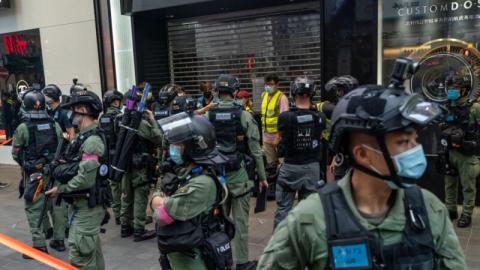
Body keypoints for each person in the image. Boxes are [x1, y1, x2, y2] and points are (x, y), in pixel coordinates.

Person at [258, 84, 467, 269]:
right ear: (363, 154)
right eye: (403, 142)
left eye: (415, 140)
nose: (415, 150)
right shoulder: (311, 218)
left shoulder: (429, 210)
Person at [151, 113, 234, 270]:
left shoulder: (203, 183)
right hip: (182, 255)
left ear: (192, 147)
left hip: (192, 259)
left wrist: (156, 200)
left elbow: (161, 216)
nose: (172, 148)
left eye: (178, 144)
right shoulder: (189, 172)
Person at [207, 74, 268, 270]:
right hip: (240, 177)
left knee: (218, 222)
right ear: (235, 92)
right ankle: (242, 262)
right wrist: (263, 177)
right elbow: (256, 151)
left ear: (217, 92)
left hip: (217, 178)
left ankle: (221, 261)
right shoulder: (245, 115)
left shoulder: (209, 115)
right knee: (240, 223)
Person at [44, 89, 109, 269]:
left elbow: (85, 179)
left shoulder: (92, 141)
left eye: (73, 109)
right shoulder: (83, 137)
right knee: (92, 253)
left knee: (80, 256)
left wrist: (61, 189)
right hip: (83, 205)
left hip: (88, 207)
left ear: (83, 110)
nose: (71, 114)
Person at [11, 90, 63, 258]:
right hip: (53, 173)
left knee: (33, 208)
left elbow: (16, 153)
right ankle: (59, 240)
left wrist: (27, 165)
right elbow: (60, 145)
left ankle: (39, 246)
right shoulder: (54, 123)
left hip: (34, 175)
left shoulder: (23, 127)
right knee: (56, 207)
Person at [273, 77, 326, 228]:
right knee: (308, 211)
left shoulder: (284, 118)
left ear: (293, 93)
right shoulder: (320, 117)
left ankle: (280, 244)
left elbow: (277, 141)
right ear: (312, 94)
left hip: (290, 167)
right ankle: (306, 243)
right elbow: (320, 137)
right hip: (312, 168)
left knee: (283, 209)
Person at [119, 86, 162, 241]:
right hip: (139, 166)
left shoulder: (120, 120)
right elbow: (158, 139)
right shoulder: (141, 123)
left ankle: (125, 226)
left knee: (127, 195)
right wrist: (152, 119)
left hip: (124, 164)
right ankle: (139, 229)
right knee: (140, 196)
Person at [441, 75, 480, 228]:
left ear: (464, 90)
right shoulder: (447, 105)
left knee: (468, 186)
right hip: (449, 151)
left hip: (467, 153)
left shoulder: (475, 108)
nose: (452, 91)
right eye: (450, 88)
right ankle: (451, 210)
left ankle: (467, 214)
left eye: (455, 89)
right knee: (449, 183)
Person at [318, 75, 359, 181]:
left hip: (350, 157)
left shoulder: (339, 109)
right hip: (344, 155)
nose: (337, 93)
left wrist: (334, 158)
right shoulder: (357, 108)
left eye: (339, 90)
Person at [99, 89, 124, 225]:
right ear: (115, 102)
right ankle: (125, 216)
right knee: (124, 187)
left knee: (114, 186)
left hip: (107, 155)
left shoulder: (101, 117)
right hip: (119, 155)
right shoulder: (119, 116)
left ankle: (117, 214)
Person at [261, 73, 289, 167]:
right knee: (271, 165)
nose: (268, 86)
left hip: (278, 138)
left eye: (271, 84)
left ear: (277, 85)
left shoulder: (282, 98)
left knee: (282, 165)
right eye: (266, 84)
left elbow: (285, 120)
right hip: (266, 138)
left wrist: (278, 137)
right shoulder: (263, 95)